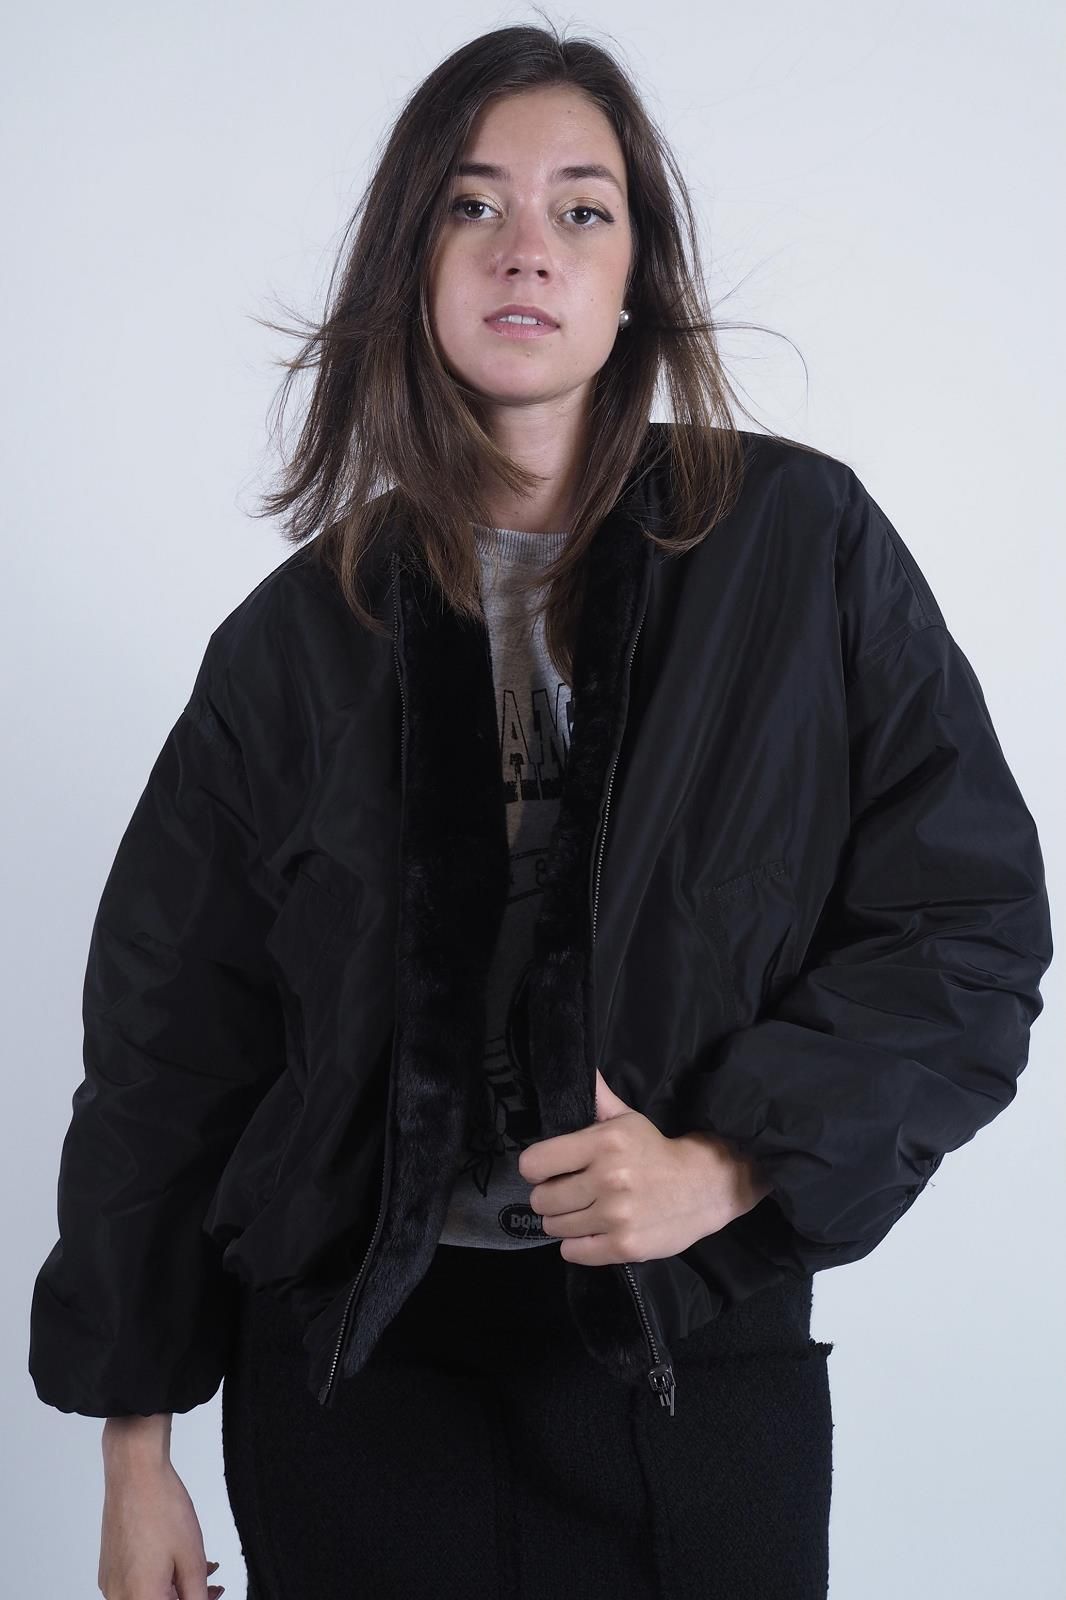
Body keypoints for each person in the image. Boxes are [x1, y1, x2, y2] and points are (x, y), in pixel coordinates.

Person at [28, 20, 1053, 1600]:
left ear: (635, 270)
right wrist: (132, 1444)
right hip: (355, 1385)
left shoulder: (799, 547)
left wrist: (730, 1161)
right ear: (411, 263)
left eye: (582, 208)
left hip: (687, 1361)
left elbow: (962, 924)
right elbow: (171, 1046)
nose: (526, 248)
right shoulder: (296, 641)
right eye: (470, 204)